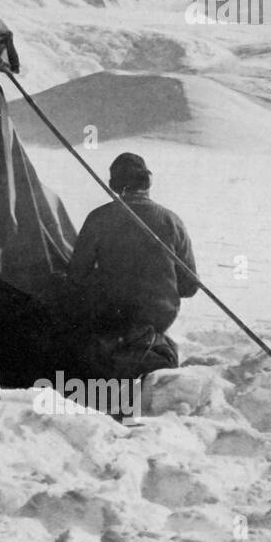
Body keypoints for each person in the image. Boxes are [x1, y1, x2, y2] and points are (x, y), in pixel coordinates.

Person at [65, 153, 198, 377]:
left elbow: (77, 276)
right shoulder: (172, 221)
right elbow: (190, 286)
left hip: (110, 318)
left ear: (114, 185)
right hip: (157, 319)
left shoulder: (99, 218)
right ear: (147, 182)